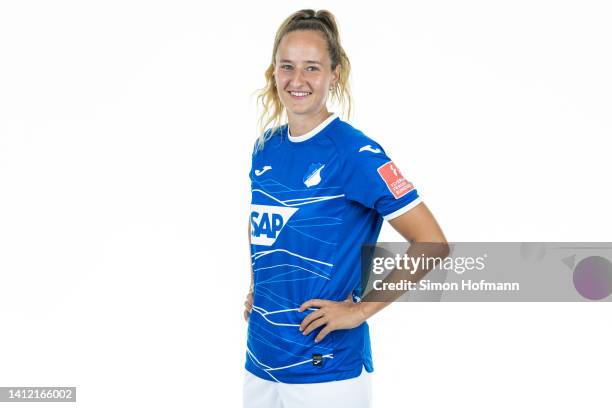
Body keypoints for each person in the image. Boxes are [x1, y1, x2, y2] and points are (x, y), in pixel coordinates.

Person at [243, 9, 448, 408]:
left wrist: (361, 310)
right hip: (260, 358)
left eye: (312, 68)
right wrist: (258, 286)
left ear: (334, 73)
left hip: (326, 369)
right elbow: (260, 223)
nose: (297, 80)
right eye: (287, 66)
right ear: (274, 71)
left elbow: (432, 243)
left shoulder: (355, 153)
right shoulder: (266, 145)